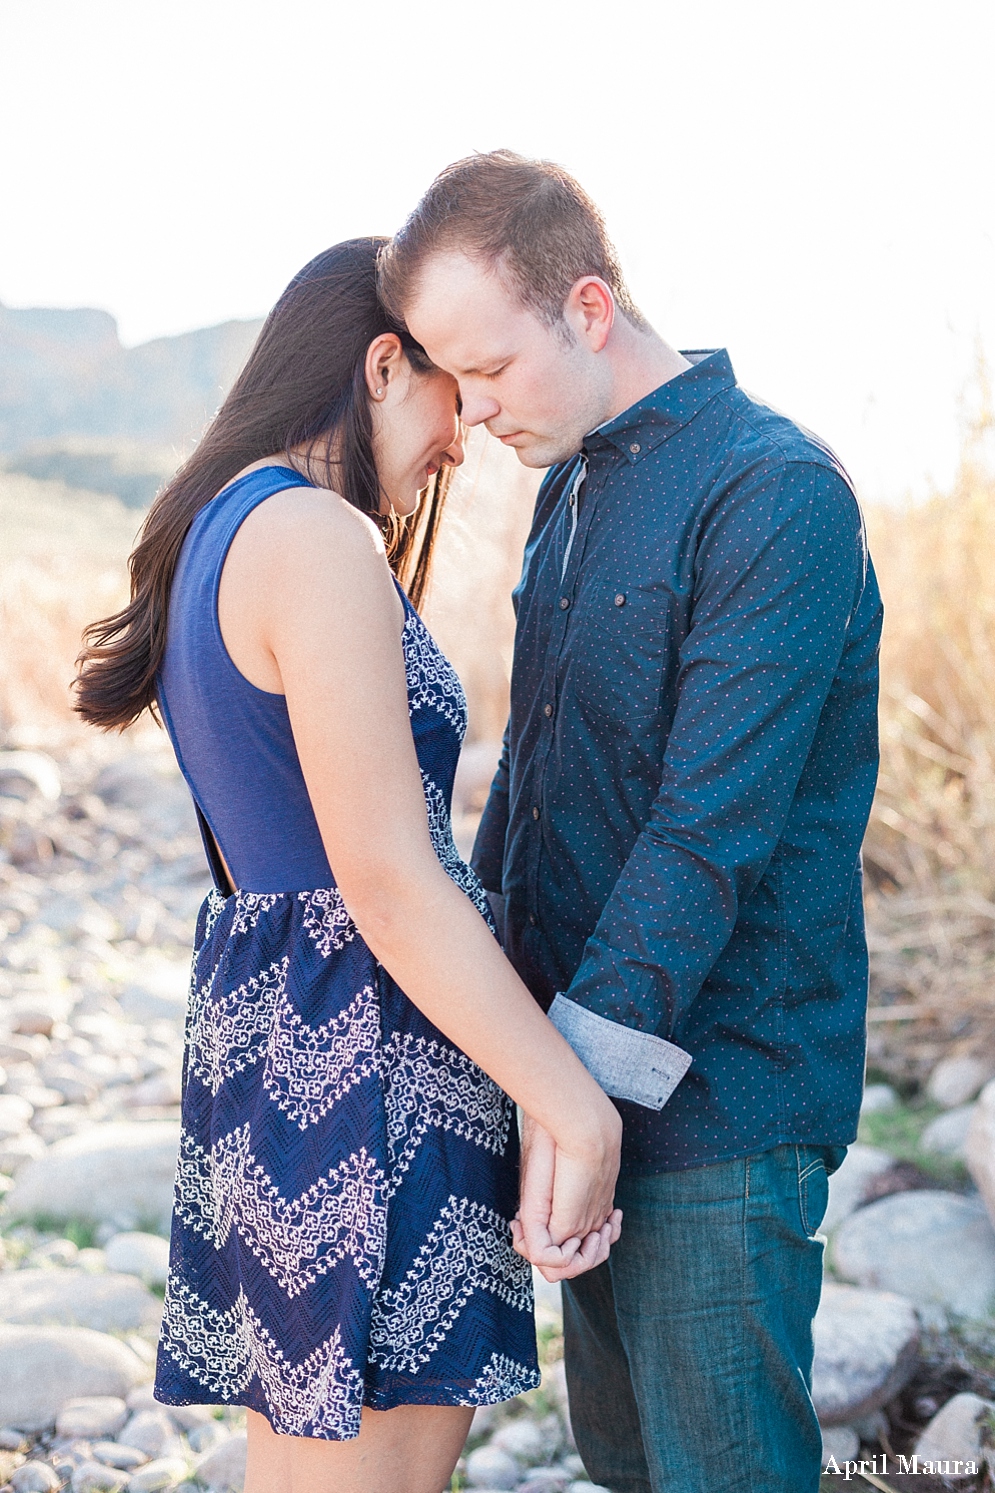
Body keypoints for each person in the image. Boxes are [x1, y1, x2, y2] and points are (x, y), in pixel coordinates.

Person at [74, 237, 623, 1493]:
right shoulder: (315, 535)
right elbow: (383, 879)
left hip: (279, 1054)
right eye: (451, 384)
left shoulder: (217, 530)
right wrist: (567, 1102)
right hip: (371, 1069)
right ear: (381, 365)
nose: (467, 431)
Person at [379, 153, 884, 1493]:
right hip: (579, 1088)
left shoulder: (770, 492)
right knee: (620, 1465)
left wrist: (567, 1095)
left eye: (486, 369)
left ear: (587, 307)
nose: (469, 411)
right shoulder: (572, 485)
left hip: (719, 1101)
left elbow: (703, 834)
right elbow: (536, 798)